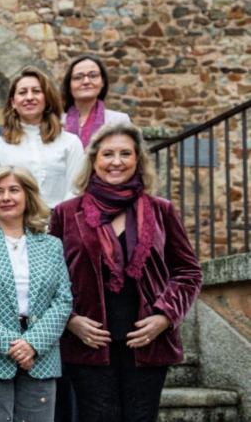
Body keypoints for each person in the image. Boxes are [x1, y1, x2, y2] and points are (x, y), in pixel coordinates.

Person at [50, 122, 202, 422]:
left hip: (147, 341)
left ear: (138, 159)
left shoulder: (162, 210)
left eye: (125, 153)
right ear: (94, 160)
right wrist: (70, 320)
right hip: (88, 342)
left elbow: (188, 271)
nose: (116, 162)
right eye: (108, 154)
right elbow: (49, 276)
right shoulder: (66, 213)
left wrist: (165, 316)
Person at [0, 165, 72, 422]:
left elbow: (63, 301)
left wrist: (32, 344)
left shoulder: (51, 245)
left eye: (14, 190)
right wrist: (14, 347)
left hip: (40, 356)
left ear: (28, 196)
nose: (6, 197)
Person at [0, 66, 84, 208]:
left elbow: (76, 190)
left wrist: (57, 218)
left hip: (60, 219)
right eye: (22, 92)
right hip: (15, 220)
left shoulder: (70, 142)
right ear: (13, 102)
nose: (29, 97)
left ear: (47, 99)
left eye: (36, 91)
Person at [61, 55, 131, 148]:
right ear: (69, 86)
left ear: (102, 82)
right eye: (78, 77)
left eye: (93, 76)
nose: (86, 81)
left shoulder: (119, 121)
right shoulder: (56, 122)